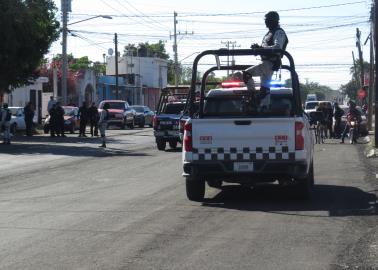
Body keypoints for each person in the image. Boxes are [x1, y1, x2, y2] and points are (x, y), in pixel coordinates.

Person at [243, 11, 288, 108]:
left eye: (268, 20)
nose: (266, 22)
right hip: (265, 62)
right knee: (265, 89)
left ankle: (253, 98)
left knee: (246, 74)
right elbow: (264, 48)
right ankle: (263, 106)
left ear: (274, 21)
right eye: (266, 20)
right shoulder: (269, 33)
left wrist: (260, 48)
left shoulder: (279, 32)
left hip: (270, 63)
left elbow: (277, 47)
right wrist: (257, 49)